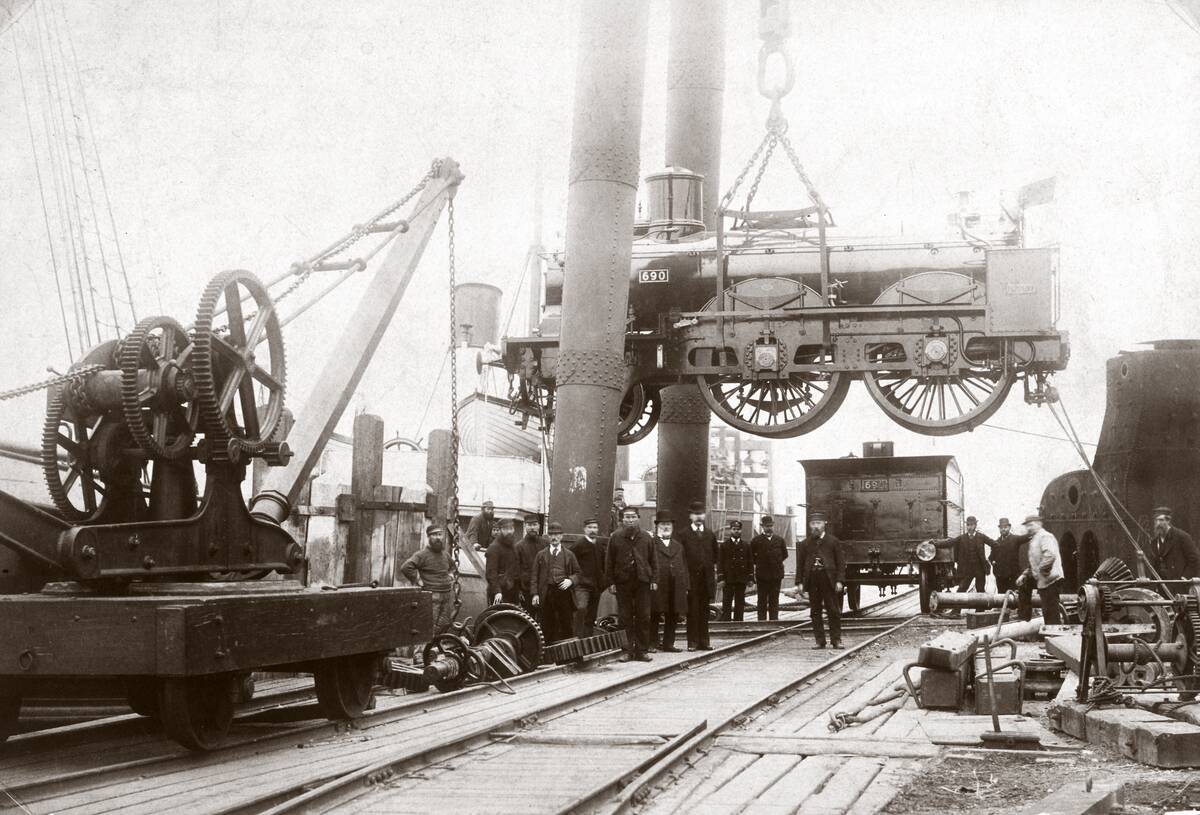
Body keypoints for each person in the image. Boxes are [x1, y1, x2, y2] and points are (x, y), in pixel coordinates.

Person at [606, 506, 656, 661]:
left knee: (644, 616)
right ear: (622, 520)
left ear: (638, 518)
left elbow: (654, 560)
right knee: (625, 617)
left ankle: (642, 650)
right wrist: (611, 582)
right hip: (623, 582)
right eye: (627, 517)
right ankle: (626, 650)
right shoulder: (615, 537)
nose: (630, 520)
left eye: (633, 517)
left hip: (643, 581)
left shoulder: (647, 537)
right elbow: (609, 562)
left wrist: (654, 580)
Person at [796, 511, 845, 649]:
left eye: (818, 523)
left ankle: (836, 640)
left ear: (825, 524)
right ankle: (820, 641)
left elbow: (841, 563)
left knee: (833, 610)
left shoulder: (833, 542)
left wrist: (840, 581)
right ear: (810, 526)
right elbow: (800, 564)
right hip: (812, 581)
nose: (815, 526)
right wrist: (799, 582)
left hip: (828, 580)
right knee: (815, 612)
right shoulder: (805, 544)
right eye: (813, 524)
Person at [400, 524, 457, 634]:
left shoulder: (445, 555)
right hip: (431, 596)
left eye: (440, 534)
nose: (438, 538)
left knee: (444, 625)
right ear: (428, 537)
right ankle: (422, 651)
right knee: (427, 626)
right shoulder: (421, 555)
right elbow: (406, 567)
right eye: (434, 535)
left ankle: (434, 649)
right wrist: (418, 580)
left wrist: (450, 576)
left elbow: (453, 567)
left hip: (446, 596)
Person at [532, 521, 581, 644]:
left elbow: (578, 573)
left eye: (557, 534)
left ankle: (569, 655)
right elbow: (534, 576)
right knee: (547, 624)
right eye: (551, 534)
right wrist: (535, 594)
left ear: (561, 536)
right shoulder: (540, 555)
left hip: (564, 592)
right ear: (548, 537)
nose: (554, 537)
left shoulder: (569, 554)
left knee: (566, 623)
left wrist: (570, 580)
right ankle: (548, 655)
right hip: (547, 593)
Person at [682, 500, 719, 651]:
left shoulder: (710, 534)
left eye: (700, 514)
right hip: (691, 579)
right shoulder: (683, 534)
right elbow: (682, 558)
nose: (698, 517)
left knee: (704, 610)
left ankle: (704, 641)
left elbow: (715, 555)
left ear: (704, 515)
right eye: (695, 514)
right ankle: (692, 642)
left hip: (706, 579)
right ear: (690, 516)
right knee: (692, 610)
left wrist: (713, 574)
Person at [650, 510, 687, 652]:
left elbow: (684, 565)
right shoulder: (651, 543)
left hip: (675, 585)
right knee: (654, 613)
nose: (666, 527)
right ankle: (651, 643)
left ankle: (668, 644)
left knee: (673, 614)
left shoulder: (678, 546)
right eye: (663, 524)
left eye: (669, 524)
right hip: (658, 584)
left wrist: (685, 585)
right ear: (657, 526)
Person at [1016, 513, 1064, 625]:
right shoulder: (1035, 539)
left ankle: (1053, 636)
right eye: (1027, 526)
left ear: (1039, 524)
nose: (1028, 528)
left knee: (1050, 611)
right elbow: (1034, 561)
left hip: (1051, 579)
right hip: (1043, 579)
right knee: (1023, 584)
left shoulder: (1045, 536)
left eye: (1031, 525)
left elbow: (1050, 555)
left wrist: (1041, 571)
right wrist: (1024, 575)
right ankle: (1024, 620)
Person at [568, 518, 606, 637]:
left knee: (591, 615)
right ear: (584, 529)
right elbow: (569, 562)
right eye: (590, 527)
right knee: (581, 609)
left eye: (595, 527)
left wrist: (603, 582)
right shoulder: (578, 545)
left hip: (596, 586)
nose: (592, 530)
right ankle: (576, 641)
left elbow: (604, 564)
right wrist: (575, 580)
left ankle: (587, 642)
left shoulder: (600, 545)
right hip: (582, 586)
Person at [1146, 506, 1200, 580]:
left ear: (1168, 521)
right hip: (1161, 585)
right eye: (1156, 520)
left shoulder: (1181, 537)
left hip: (1178, 583)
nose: (1158, 523)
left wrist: (1185, 576)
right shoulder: (1154, 541)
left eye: (1161, 520)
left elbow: (1194, 559)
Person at [751, 515, 788, 620]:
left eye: (771, 525)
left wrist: (775, 564)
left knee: (774, 600)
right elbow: (752, 557)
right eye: (767, 526)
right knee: (762, 600)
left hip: (776, 576)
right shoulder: (756, 541)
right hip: (762, 576)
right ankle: (761, 623)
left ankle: (774, 622)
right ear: (762, 526)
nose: (769, 528)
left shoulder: (780, 540)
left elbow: (784, 555)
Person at [719, 519, 753, 622]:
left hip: (741, 579)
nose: (736, 531)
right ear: (730, 530)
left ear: (741, 530)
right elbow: (720, 563)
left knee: (740, 602)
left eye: (738, 529)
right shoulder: (724, 546)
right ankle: (726, 622)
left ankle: (738, 622)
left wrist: (750, 577)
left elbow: (750, 563)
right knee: (727, 602)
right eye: (734, 529)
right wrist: (721, 578)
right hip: (728, 579)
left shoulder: (746, 546)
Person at [515, 513, 547, 614]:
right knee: (529, 618)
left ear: (539, 526)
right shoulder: (519, 546)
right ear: (525, 526)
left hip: (544, 589)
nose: (532, 528)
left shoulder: (545, 544)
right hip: (526, 590)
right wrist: (518, 590)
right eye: (529, 525)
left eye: (534, 524)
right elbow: (515, 570)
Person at [485, 518, 520, 605]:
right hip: (499, 593)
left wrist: (519, 591)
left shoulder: (513, 547)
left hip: (512, 592)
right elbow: (491, 573)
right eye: (505, 529)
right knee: (500, 617)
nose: (509, 532)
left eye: (511, 528)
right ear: (500, 530)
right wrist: (497, 591)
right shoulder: (494, 548)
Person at [953, 515, 992, 593]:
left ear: (975, 525)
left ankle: (981, 605)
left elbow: (995, 544)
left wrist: (991, 558)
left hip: (980, 569)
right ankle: (960, 605)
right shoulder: (962, 538)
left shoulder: (981, 536)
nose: (969, 527)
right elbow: (949, 542)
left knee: (980, 590)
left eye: (971, 525)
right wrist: (935, 543)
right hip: (967, 569)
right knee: (961, 589)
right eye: (968, 525)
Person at [988, 517, 1022, 593]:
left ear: (1009, 527)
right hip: (1000, 577)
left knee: (1013, 598)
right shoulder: (996, 542)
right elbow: (991, 557)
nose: (1003, 529)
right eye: (1001, 527)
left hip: (1013, 575)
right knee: (1002, 597)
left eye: (1005, 527)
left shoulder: (1015, 539)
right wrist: (993, 562)